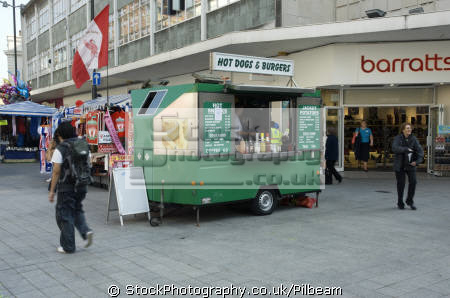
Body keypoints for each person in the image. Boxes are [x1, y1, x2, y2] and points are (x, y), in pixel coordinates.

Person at [48, 122, 93, 253]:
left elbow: (56, 171)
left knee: (65, 214)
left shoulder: (60, 148)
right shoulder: (82, 144)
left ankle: (68, 246)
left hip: (66, 187)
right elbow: (88, 163)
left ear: (60, 134)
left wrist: (52, 190)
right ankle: (86, 232)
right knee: (77, 209)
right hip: (82, 185)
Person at [392, 123, 423, 210]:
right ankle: (400, 202)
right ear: (403, 130)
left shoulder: (414, 139)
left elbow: (420, 151)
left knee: (413, 182)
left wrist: (416, 162)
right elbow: (394, 148)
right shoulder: (398, 138)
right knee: (401, 184)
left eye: (410, 128)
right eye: (407, 128)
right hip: (400, 165)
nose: (409, 130)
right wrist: (405, 149)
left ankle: (410, 201)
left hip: (410, 165)